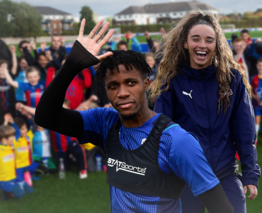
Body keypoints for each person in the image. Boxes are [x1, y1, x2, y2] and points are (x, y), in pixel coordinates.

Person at [34, 19, 234, 213]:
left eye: (131, 83)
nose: (122, 92)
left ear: (146, 84)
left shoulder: (176, 141)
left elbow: (222, 208)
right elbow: (45, 117)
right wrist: (72, 65)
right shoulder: (104, 123)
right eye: (113, 86)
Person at [149, 12, 260, 213]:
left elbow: (245, 130)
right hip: (186, 177)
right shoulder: (172, 82)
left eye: (209, 40)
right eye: (196, 39)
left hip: (225, 173)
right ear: (185, 43)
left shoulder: (232, 79)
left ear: (216, 45)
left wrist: (250, 173)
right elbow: (160, 133)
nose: (202, 45)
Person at [0, 124, 33, 200]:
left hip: (14, 177)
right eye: (12, 136)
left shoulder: (10, 145)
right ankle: (6, 191)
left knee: (30, 190)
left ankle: (13, 187)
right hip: (3, 180)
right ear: (4, 139)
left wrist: (12, 123)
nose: (14, 138)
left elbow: (18, 133)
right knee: (20, 194)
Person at [0, 57, 17, 125]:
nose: (1, 71)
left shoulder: (10, 78)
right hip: (1, 108)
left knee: (12, 123)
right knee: (2, 125)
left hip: (11, 107)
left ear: (7, 70)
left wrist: (13, 53)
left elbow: (15, 65)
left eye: (3, 69)